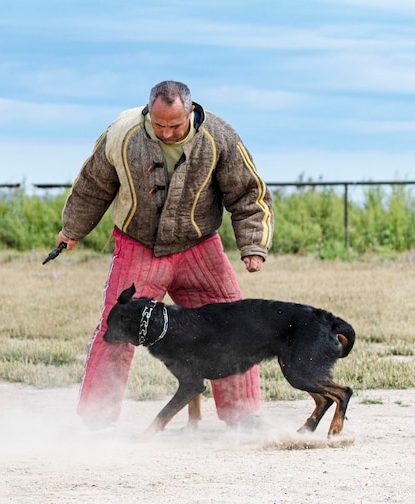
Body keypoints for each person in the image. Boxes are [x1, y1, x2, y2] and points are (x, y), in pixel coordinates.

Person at [55, 80, 274, 430]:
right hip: (138, 245)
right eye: (159, 126)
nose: (167, 133)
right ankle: (97, 417)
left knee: (232, 324)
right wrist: (72, 230)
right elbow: (93, 185)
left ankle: (243, 413)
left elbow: (248, 193)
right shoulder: (122, 135)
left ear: (191, 112)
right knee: (117, 325)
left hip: (199, 247)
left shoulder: (220, 137)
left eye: (175, 125)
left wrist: (253, 246)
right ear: (148, 113)